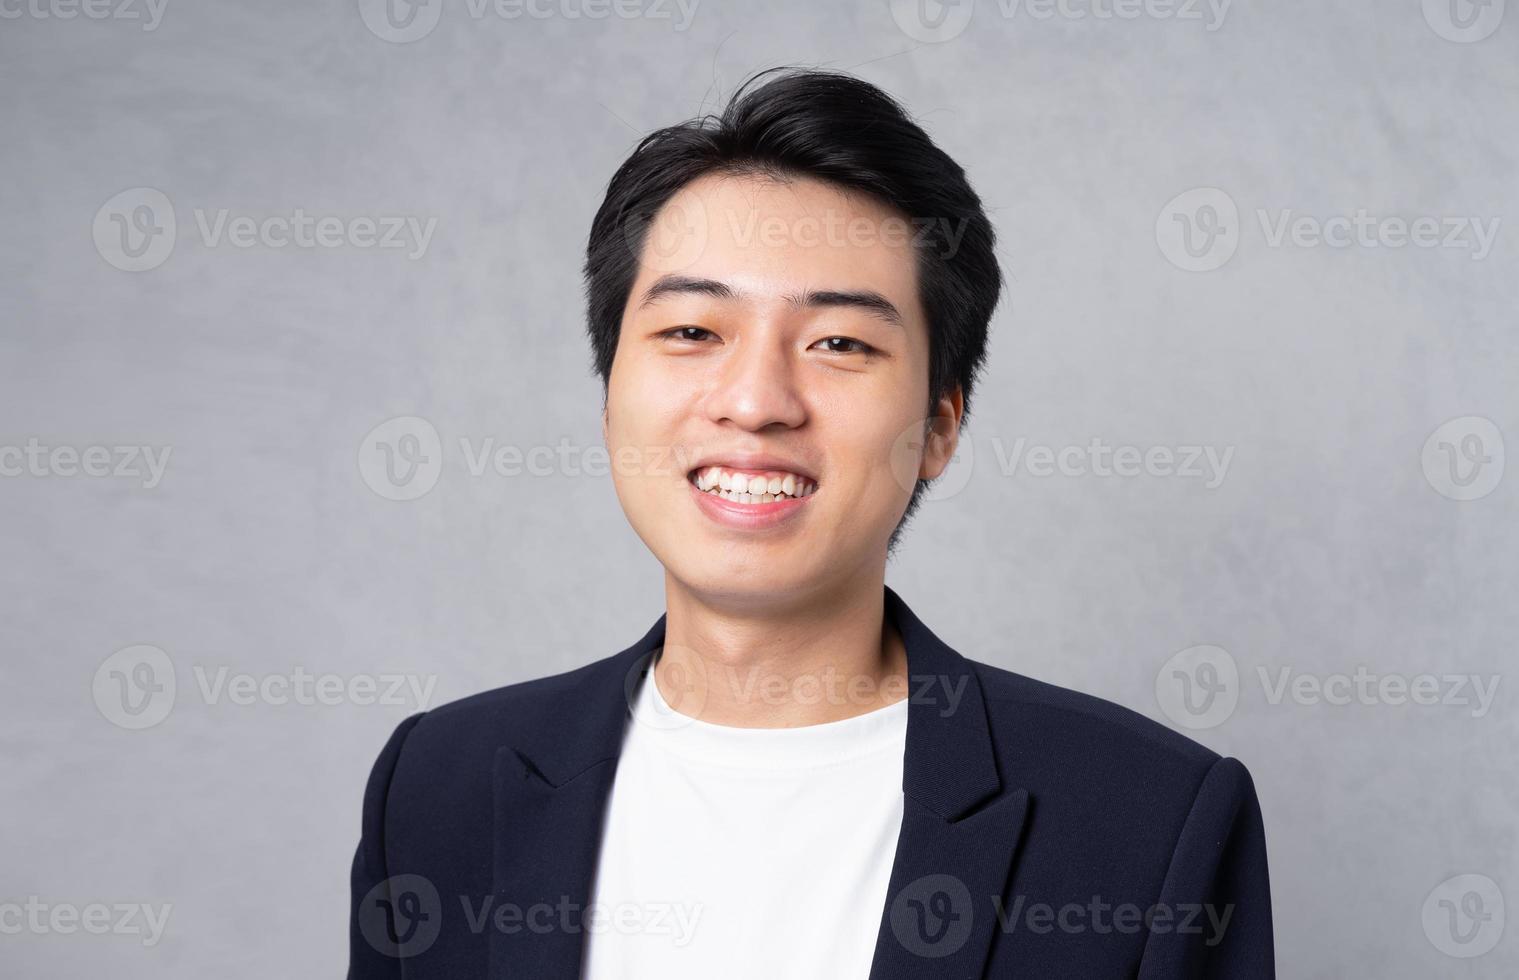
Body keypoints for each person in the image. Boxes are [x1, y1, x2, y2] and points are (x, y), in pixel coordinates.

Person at [348, 66, 1274, 979]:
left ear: (939, 427)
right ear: (607, 397)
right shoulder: (438, 786)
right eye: (692, 331)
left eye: (839, 343)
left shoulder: (1147, 822)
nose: (754, 402)